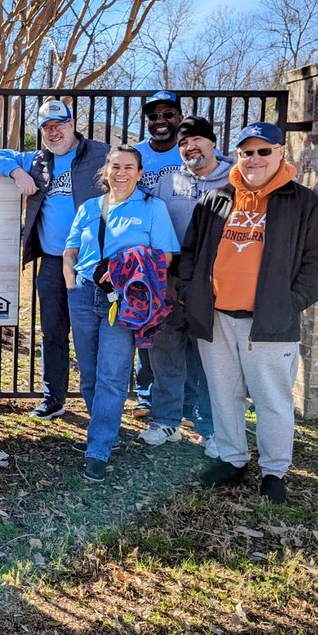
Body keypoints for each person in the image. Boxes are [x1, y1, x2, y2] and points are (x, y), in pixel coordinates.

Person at [175, 123, 318, 504]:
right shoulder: (217, 199)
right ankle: (232, 460)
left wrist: (290, 300)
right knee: (223, 395)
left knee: (272, 400)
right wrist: (188, 292)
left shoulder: (304, 203)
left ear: (281, 152)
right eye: (247, 152)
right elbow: (191, 253)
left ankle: (274, 470)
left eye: (264, 151)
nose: (255, 159)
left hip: (269, 322)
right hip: (215, 318)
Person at [0, 100, 109, 420]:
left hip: (93, 262)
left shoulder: (100, 154)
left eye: (59, 125)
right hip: (53, 262)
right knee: (53, 332)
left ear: (72, 124)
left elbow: (133, 167)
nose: (54, 132)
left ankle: (99, 405)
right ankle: (54, 398)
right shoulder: (36, 160)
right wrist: (15, 172)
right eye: (46, 128)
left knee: (92, 336)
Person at [63, 146, 179, 482]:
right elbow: (70, 249)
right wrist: (71, 282)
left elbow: (166, 257)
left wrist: (126, 270)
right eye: (116, 166)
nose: (121, 173)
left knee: (112, 375)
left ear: (140, 173)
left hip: (123, 300)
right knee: (88, 374)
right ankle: (106, 434)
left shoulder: (152, 208)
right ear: (106, 170)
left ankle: (98, 449)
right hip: (84, 295)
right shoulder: (89, 208)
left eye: (129, 167)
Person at [142, 116, 232, 451]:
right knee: (165, 353)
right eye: (183, 143)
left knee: (209, 358)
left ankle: (211, 428)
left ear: (212, 142)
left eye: (196, 139)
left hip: (215, 279)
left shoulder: (235, 179)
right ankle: (166, 422)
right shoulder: (168, 182)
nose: (189, 147)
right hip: (171, 277)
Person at [129, 89, 186, 419]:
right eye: (154, 116)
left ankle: (185, 397)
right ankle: (146, 396)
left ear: (179, 118)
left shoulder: (190, 151)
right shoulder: (135, 154)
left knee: (182, 330)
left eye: (168, 114)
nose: (161, 121)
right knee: (146, 326)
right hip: (144, 261)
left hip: (186, 255)